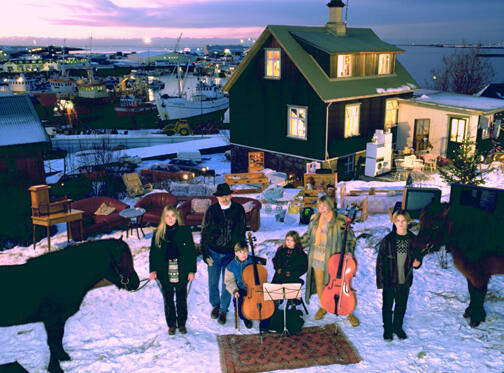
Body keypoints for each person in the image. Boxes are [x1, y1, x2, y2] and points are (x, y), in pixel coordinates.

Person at [301, 195, 360, 326]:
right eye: (319, 206)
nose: (322, 208)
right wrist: (296, 244)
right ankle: (323, 307)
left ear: (330, 205)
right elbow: (308, 236)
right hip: (316, 256)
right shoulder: (315, 219)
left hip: (334, 258)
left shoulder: (341, 220)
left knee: (339, 286)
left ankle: (348, 311)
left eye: (324, 205)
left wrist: (349, 252)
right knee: (321, 285)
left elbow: (350, 239)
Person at [201, 183, 246, 325]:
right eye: (221, 196)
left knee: (228, 283)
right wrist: (204, 252)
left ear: (230, 195)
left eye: (226, 195)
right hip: (214, 252)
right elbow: (205, 232)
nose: (224, 198)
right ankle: (215, 305)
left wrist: (239, 253)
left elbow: (241, 232)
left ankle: (223, 310)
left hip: (230, 254)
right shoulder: (212, 210)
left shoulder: (238, 209)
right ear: (217, 197)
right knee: (213, 282)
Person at [149, 205, 196, 335]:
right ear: (164, 218)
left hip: (181, 269)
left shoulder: (185, 231)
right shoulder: (158, 233)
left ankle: (181, 323)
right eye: (167, 216)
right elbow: (153, 254)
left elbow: (191, 252)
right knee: (168, 299)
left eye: (173, 216)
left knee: (181, 298)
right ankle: (171, 324)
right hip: (164, 270)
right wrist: (153, 270)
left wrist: (191, 271)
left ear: (177, 217)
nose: (170, 219)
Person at [376, 209, 422, 341]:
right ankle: (388, 329)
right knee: (387, 306)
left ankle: (397, 327)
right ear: (394, 222)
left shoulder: (413, 240)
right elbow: (380, 261)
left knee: (401, 305)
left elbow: (418, 257)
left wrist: (418, 263)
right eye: (398, 221)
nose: (401, 224)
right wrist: (381, 281)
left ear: (408, 222)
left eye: (403, 221)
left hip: (405, 279)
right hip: (389, 278)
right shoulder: (388, 240)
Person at [224, 242, 255, 329]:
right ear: (236, 253)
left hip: (253, 287)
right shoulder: (231, 266)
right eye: (240, 252)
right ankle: (245, 318)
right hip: (240, 288)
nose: (243, 254)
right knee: (240, 303)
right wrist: (234, 290)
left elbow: (260, 273)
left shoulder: (252, 261)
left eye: (245, 252)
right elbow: (229, 281)